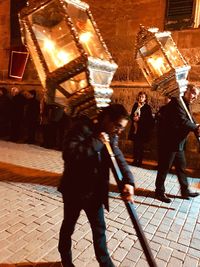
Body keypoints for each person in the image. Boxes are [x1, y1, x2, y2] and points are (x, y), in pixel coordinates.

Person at [58, 104, 135, 267]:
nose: (119, 131)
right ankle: (66, 260)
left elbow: (117, 157)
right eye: (118, 126)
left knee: (99, 229)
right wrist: (97, 141)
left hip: (95, 192)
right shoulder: (81, 126)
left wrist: (128, 181)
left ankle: (105, 264)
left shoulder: (110, 134)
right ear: (107, 119)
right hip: (74, 190)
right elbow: (70, 154)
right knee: (68, 226)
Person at [155, 83, 200, 203]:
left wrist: (197, 126)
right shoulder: (176, 102)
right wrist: (196, 128)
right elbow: (182, 121)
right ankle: (159, 191)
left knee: (181, 168)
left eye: (197, 95)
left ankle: (185, 190)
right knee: (164, 167)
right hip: (169, 142)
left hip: (178, 143)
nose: (195, 96)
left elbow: (190, 119)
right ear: (186, 91)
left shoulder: (185, 104)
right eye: (193, 93)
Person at [128, 91, 154, 167]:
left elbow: (149, 119)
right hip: (135, 128)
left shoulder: (147, 107)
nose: (140, 98)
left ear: (145, 98)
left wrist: (139, 119)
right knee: (135, 145)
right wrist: (133, 118)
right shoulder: (135, 105)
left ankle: (140, 161)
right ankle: (135, 160)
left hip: (142, 129)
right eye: (139, 96)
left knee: (140, 146)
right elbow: (131, 115)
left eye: (142, 97)